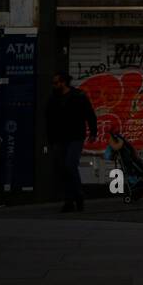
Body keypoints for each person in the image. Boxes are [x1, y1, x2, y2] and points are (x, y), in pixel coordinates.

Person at [45, 72, 97, 212]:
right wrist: (50, 139)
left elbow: (89, 113)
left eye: (56, 83)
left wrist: (93, 132)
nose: (54, 86)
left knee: (70, 165)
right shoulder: (53, 99)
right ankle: (69, 201)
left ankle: (78, 196)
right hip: (59, 139)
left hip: (75, 137)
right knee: (63, 169)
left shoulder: (78, 96)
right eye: (53, 83)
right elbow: (49, 120)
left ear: (63, 83)